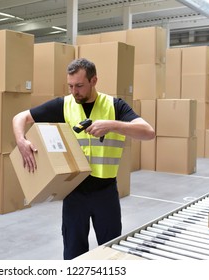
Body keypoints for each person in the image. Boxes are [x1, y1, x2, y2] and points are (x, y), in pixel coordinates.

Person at [12, 58, 155, 259]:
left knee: (111, 252)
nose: (74, 91)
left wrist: (112, 125)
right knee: (73, 253)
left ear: (94, 80)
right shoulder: (64, 105)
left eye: (79, 86)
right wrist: (21, 140)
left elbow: (148, 132)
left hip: (105, 193)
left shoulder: (114, 106)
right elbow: (20, 118)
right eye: (70, 86)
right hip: (74, 193)